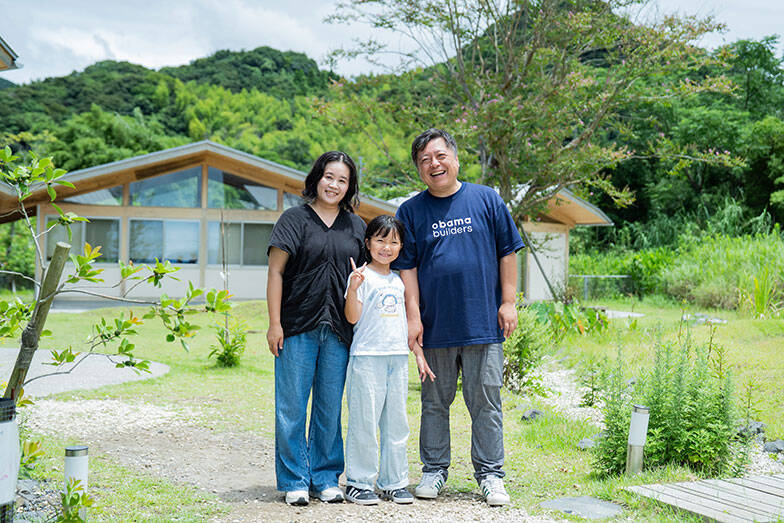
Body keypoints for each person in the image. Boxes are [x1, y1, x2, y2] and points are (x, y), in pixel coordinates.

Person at [392, 128, 524, 506]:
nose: (433, 164)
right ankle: (434, 471)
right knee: (434, 402)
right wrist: (413, 319)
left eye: (439, 155)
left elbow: (508, 251)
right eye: (424, 161)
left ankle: (491, 475)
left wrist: (508, 301)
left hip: (483, 322)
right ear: (419, 170)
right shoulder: (411, 211)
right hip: (436, 327)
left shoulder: (487, 199)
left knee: (486, 402)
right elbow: (408, 269)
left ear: (455, 157)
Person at [266, 151, 366, 506]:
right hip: (296, 327)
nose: (334, 184)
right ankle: (294, 479)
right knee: (291, 407)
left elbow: (363, 280)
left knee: (329, 408)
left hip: (339, 331)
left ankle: (324, 477)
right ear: (316, 178)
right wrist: (274, 323)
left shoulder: (356, 227)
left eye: (342, 180)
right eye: (328, 176)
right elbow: (276, 272)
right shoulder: (294, 219)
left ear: (349, 186)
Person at [342, 215, 435, 506]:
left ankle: (393, 482)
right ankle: (358, 482)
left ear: (401, 246)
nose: (386, 247)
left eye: (393, 241)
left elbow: (406, 323)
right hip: (367, 358)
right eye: (380, 240)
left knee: (397, 424)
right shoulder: (360, 276)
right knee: (364, 422)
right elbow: (352, 317)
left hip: (396, 359)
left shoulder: (398, 280)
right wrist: (354, 288)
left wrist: (417, 354)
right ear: (368, 243)